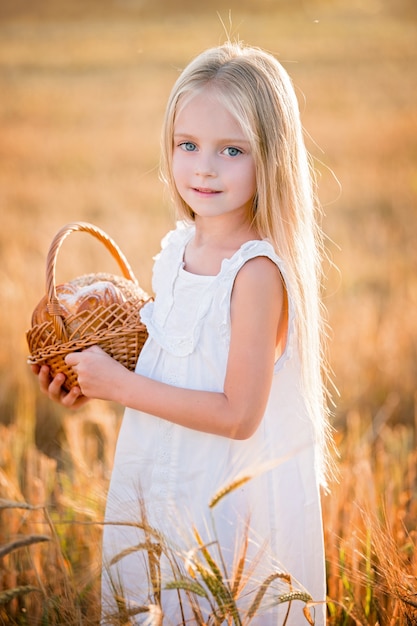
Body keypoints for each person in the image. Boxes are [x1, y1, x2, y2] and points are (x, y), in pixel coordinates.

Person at [33, 41, 332, 625]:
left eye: (232, 150)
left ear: (270, 157)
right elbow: (168, 370)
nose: (204, 166)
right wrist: (86, 379)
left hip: (219, 503)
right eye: (188, 145)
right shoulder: (178, 249)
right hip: (161, 482)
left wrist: (120, 387)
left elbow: (237, 414)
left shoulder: (256, 272)